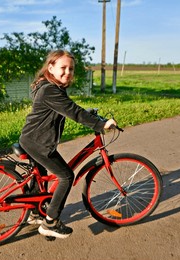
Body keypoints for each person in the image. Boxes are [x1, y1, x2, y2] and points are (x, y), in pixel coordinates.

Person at [19, 50, 117, 239]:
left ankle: (35, 213)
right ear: (51, 68)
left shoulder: (49, 86)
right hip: (38, 143)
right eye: (63, 67)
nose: (67, 72)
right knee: (65, 176)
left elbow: (65, 108)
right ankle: (50, 222)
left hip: (32, 139)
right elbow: (73, 111)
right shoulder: (50, 89)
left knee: (40, 177)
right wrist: (101, 124)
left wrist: (90, 114)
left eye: (71, 69)